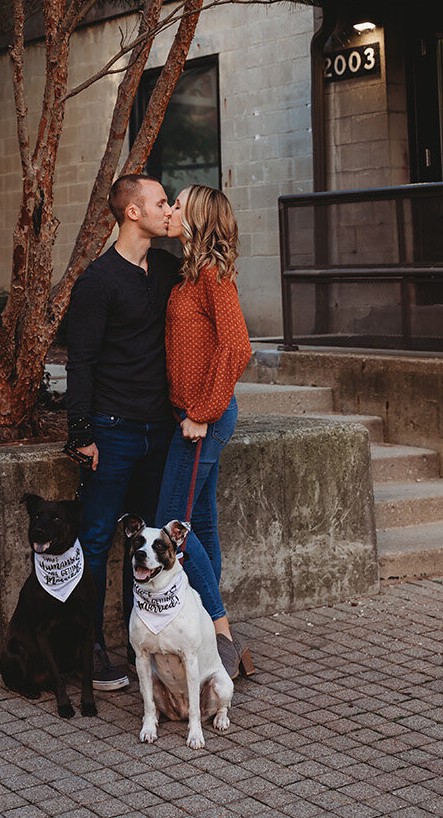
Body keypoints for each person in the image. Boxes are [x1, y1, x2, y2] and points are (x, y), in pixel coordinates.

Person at [65, 173, 180, 691]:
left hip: (161, 430)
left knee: (153, 542)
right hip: (112, 432)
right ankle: (87, 653)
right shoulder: (98, 280)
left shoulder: (165, 268)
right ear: (132, 212)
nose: (168, 209)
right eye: (160, 203)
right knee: (94, 541)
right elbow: (81, 361)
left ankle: (151, 647)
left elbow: (213, 263)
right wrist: (81, 432)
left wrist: (185, 230)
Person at [157, 184, 253, 680]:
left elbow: (237, 348)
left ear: (196, 217)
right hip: (192, 415)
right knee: (203, 522)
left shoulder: (214, 276)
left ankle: (220, 632)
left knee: (171, 519)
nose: (169, 210)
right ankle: (221, 638)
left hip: (204, 420)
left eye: (176, 205)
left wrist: (202, 412)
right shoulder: (190, 275)